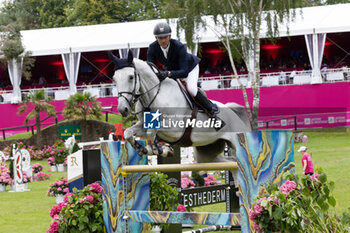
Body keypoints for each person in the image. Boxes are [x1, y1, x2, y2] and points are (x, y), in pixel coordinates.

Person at [147, 22, 216, 117]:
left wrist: (168, 74)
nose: (163, 40)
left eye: (165, 37)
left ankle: (211, 111)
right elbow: (149, 66)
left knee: (191, 89)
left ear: (170, 36)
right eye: (160, 38)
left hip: (190, 68)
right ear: (156, 38)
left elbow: (184, 71)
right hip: (172, 69)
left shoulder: (179, 46)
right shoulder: (152, 47)